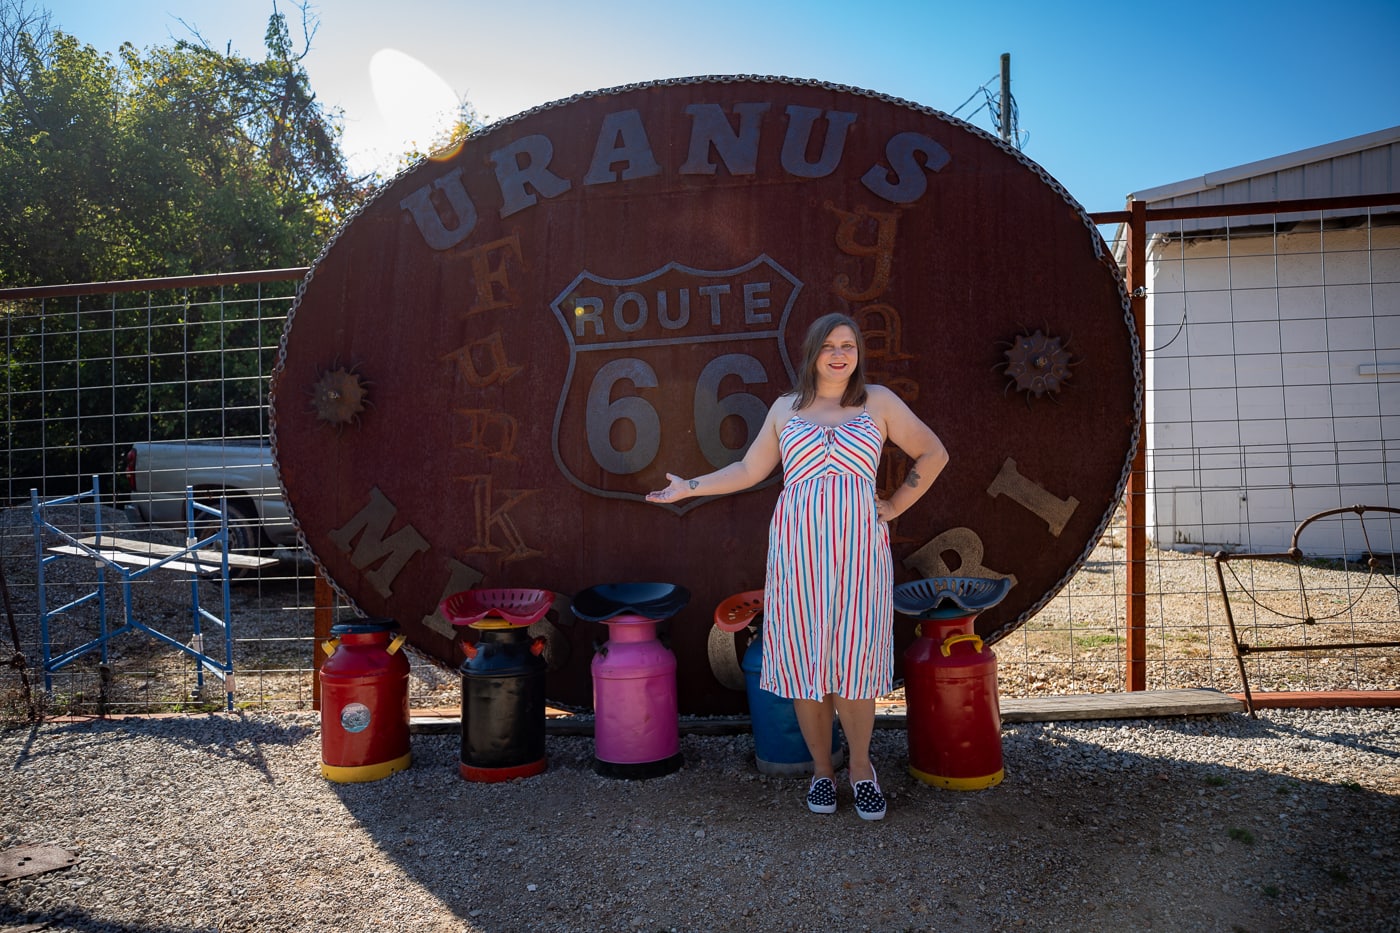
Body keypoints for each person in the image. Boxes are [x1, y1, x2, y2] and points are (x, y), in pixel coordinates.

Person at [647, 312, 948, 820]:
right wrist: (689, 487)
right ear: (812, 353)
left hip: (858, 556)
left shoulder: (878, 402)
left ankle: (861, 769)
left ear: (858, 353)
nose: (839, 354)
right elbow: (749, 469)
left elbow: (933, 454)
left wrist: (893, 507)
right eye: (829, 345)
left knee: (853, 665)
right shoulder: (786, 408)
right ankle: (821, 773)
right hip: (797, 556)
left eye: (848, 345)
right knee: (809, 667)